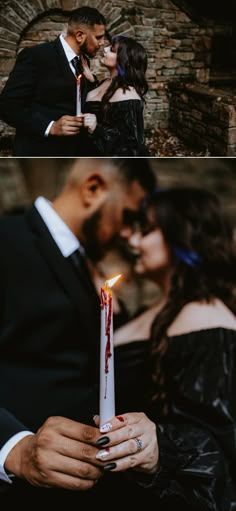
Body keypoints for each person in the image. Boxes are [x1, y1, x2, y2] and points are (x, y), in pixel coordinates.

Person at [0, 157, 157, 504]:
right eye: (128, 216)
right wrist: (14, 448)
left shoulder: (86, 266)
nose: (128, 235)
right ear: (93, 188)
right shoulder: (7, 240)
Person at [94, 186, 236, 510]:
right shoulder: (148, 314)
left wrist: (160, 445)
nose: (132, 241)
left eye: (146, 230)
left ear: (181, 234)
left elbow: (218, 442)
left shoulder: (205, 316)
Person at [0, 7, 106, 156]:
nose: (102, 43)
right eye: (99, 37)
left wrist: (93, 81)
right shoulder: (36, 56)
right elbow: (7, 105)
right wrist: (51, 127)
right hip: (40, 156)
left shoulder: (83, 62)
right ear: (80, 35)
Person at [81, 35, 149, 156]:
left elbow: (131, 150)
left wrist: (96, 129)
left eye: (112, 50)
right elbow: (100, 105)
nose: (105, 49)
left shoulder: (128, 97)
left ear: (124, 60)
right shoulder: (107, 82)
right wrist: (91, 81)